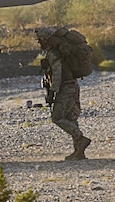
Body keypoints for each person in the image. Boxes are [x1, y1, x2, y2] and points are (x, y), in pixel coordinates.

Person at [38, 27, 92, 160]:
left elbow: (57, 73)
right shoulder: (61, 51)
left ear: (46, 40)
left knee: (57, 117)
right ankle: (79, 152)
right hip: (73, 86)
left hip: (65, 88)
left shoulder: (53, 54)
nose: (39, 43)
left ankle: (80, 139)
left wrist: (52, 92)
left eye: (40, 40)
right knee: (71, 118)